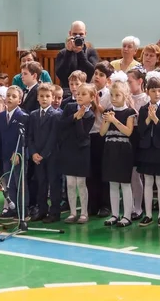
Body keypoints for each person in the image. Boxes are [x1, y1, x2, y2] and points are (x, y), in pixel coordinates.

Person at [137, 72, 160, 227]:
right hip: (147, 149)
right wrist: (148, 119)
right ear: (147, 92)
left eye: (159, 90)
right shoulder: (144, 109)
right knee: (148, 181)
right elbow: (140, 130)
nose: (157, 93)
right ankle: (148, 214)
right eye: (153, 91)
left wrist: (155, 120)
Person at [100, 73, 136, 227]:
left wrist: (114, 120)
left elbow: (128, 132)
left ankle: (127, 215)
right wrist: (108, 120)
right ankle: (115, 214)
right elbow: (102, 132)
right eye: (112, 95)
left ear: (125, 95)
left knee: (125, 184)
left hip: (123, 149)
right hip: (110, 148)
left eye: (117, 95)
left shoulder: (129, 112)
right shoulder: (108, 111)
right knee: (113, 183)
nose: (114, 98)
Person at [59, 83, 95, 224]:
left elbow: (82, 134)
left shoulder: (90, 115)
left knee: (80, 182)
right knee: (70, 182)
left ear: (91, 98)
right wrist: (75, 116)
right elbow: (62, 125)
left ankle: (84, 212)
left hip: (82, 150)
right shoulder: (69, 107)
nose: (79, 96)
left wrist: (79, 119)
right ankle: (73, 212)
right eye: (78, 94)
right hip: (69, 148)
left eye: (83, 94)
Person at [0, 86, 29, 219]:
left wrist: (18, 152)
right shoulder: (1, 116)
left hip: (17, 156)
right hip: (5, 155)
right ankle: (12, 208)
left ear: (19, 100)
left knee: (20, 182)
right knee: (9, 183)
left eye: (13, 96)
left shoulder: (23, 116)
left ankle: (23, 209)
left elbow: (25, 138)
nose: (10, 98)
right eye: (8, 95)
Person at [28, 83, 63, 223]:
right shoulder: (33, 115)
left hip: (52, 156)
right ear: (37, 98)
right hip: (37, 157)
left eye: (47, 96)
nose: (44, 99)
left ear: (52, 97)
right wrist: (33, 153)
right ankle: (42, 209)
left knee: (54, 183)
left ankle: (55, 212)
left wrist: (43, 153)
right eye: (41, 96)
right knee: (40, 183)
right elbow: (29, 136)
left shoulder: (56, 115)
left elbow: (53, 137)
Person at [88, 61, 114, 217]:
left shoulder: (110, 94)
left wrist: (97, 105)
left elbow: (109, 115)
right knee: (92, 172)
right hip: (89, 134)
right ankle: (93, 204)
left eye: (101, 75)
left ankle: (105, 204)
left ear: (108, 79)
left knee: (104, 171)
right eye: (96, 73)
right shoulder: (87, 90)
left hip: (103, 135)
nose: (97, 77)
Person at [55, 21, 99, 97]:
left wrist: (80, 53)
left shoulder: (91, 52)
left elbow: (92, 72)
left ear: (85, 34)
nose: (78, 37)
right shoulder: (62, 53)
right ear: (70, 33)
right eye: (75, 34)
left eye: (81, 34)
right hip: (67, 92)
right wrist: (68, 52)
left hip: (86, 93)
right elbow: (61, 75)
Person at [128, 68, 149, 219]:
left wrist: (132, 107)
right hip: (127, 136)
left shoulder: (146, 99)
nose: (127, 85)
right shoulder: (125, 96)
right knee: (127, 175)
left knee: (136, 175)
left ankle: (138, 207)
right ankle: (129, 206)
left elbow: (143, 121)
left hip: (139, 136)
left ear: (140, 81)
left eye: (130, 82)